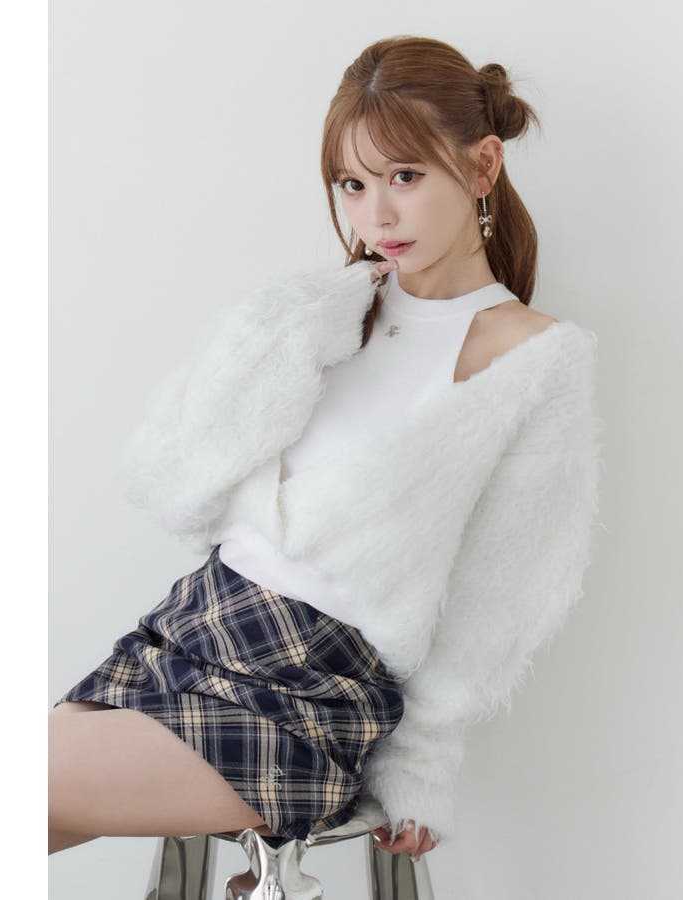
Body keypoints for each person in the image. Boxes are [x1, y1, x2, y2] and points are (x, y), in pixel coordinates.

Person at [49, 35, 603, 866]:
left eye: (404, 177)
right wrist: (277, 331)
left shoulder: (534, 359)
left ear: (483, 165)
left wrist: (422, 765)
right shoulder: (320, 314)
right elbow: (176, 478)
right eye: (352, 184)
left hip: (306, 695)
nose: (375, 216)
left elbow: (505, 590)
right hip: (189, 632)